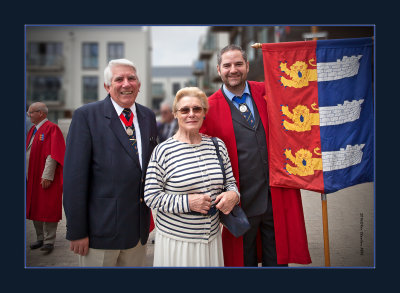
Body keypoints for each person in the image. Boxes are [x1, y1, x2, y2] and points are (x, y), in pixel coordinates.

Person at [200, 45, 311, 267]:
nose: (233, 70)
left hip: (275, 196)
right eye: (227, 65)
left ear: (247, 66)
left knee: (278, 261)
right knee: (243, 262)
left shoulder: (269, 92)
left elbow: (303, 100)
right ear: (218, 69)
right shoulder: (208, 108)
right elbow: (202, 155)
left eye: (238, 64)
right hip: (239, 202)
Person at [63, 59, 158, 267]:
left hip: (137, 234)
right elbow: (74, 179)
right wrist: (77, 231)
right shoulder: (86, 116)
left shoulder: (148, 117)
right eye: (119, 79)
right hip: (100, 235)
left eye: (131, 78)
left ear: (139, 85)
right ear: (107, 86)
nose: (126, 84)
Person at [144, 87, 240, 267]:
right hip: (178, 243)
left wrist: (234, 195)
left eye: (197, 109)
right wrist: (187, 203)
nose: (191, 114)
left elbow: (231, 183)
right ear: (175, 114)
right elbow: (151, 196)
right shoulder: (163, 151)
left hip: (212, 240)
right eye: (184, 110)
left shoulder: (217, 145)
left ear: (204, 113)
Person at [26, 102, 65, 254]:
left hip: (45, 177)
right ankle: (40, 237)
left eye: (31, 112)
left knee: (47, 207)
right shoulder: (32, 130)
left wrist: (47, 175)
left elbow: (52, 154)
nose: (29, 115)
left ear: (41, 113)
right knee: (35, 206)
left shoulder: (51, 128)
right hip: (32, 176)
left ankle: (49, 241)